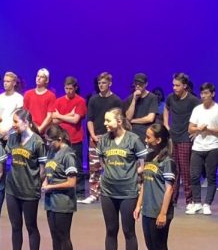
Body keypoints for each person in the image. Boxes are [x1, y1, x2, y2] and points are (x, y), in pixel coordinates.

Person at [96, 107, 148, 250]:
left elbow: (143, 164)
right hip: (108, 192)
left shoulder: (133, 139)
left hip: (128, 192)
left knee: (128, 231)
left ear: (119, 121)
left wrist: (130, 174)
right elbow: (102, 161)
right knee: (111, 230)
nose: (105, 124)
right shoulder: (103, 140)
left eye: (108, 120)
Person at [2, 108, 47, 250]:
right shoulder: (13, 138)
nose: (13, 125)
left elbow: (43, 169)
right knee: (15, 226)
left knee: (31, 226)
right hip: (12, 188)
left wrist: (36, 183)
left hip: (29, 189)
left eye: (16, 122)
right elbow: (5, 156)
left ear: (26, 122)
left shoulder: (37, 142)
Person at [135, 123, 176, 250]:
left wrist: (163, 213)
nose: (146, 140)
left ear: (159, 140)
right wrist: (138, 205)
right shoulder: (151, 157)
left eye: (149, 137)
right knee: (150, 246)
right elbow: (144, 184)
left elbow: (169, 189)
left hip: (160, 211)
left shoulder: (168, 162)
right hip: (148, 210)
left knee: (160, 247)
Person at [40, 125, 78, 250]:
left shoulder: (68, 154)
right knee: (54, 236)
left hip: (63, 202)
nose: (48, 144)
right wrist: (45, 181)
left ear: (60, 139)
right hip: (51, 201)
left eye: (50, 141)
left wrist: (51, 187)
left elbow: (72, 182)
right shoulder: (51, 151)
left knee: (64, 236)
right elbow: (49, 172)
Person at [187, 82, 218, 215]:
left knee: (211, 177)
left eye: (206, 93)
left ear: (212, 94)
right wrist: (198, 129)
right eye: (202, 93)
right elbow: (190, 128)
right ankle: (197, 202)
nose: (203, 96)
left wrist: (208, 129)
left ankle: (207, 204)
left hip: (213, 146)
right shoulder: (197, 109)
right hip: (198, 147)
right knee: (194, 175)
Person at [163, 73, 201, 211]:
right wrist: (166, 125)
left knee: (185, 170)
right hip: (173, 136)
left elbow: (202, 113)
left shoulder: (192, 100)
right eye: (173, 85)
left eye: (177, 85)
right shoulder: (170, 98)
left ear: (185, 86)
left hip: (186, 137)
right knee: (173, 169)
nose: (174, 88)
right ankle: (172, 199)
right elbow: (166, 109)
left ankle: (189, 200)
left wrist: (196, 131)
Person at [84, 72, 123, 204]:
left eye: (104, 83)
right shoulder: (93, 99)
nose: (101, 85)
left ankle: (110, 192)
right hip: (96, 138)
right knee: (94, 167)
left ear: (110, 84)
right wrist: (93, 135)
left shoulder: (116, 100)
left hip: (110, 138)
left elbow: (118, 120)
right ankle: (94, 193)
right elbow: (89, 119)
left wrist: (110, 136)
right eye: (99, 83)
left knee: (111, 165)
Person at [47, 76, 87, 198]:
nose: (68, 91)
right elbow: (54, 120)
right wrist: (68, 115)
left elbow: (75, 120)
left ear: (75, 88)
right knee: (60, 165)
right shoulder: (58, 101)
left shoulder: (80, 101)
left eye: (70, 88)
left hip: (75, 138)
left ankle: (79, 193)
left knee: (77, 166)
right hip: (61, 139)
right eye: (66, 88)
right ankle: (62, 187)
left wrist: (61, 116)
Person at [123, 73, 159, 141]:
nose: (138, 86)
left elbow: (150, 118)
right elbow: (128, 118)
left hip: (146, 133)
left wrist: (133, 121)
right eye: (136, 83)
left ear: (146, 84)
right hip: (132, 133)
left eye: (141, 84)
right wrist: (134, 99)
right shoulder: (130, 98)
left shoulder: (152, 98)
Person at [23, 68, 56, 134]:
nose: (38, 78)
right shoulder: (28, 94)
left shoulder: (51, 96)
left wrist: (40, 129)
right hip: (29, 130)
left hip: (44, 132)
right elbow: (25, 113)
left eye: (42, 77)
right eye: (37, 76)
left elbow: (49, 116)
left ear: (47, 80)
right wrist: (30, 128)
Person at [0, 72, 24, 142]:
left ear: (14, 83)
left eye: (8, 81)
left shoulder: (19, 98)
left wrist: (7, 131)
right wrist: (0, 129)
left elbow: (18, 117)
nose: (5, 83)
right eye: (4, 81)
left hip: (13, 133)